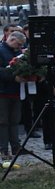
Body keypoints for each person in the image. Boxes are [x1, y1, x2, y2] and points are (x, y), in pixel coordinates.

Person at [0, 31, 26, 159]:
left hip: (16, 91)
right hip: (3, 92)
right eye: (19, 44)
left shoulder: (17, 52)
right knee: (3, 122)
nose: (19, 47)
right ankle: (3, 150)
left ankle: (16, 147)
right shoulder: (0, 50)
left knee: (14, 120)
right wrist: (13, 77)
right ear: (12, 39)